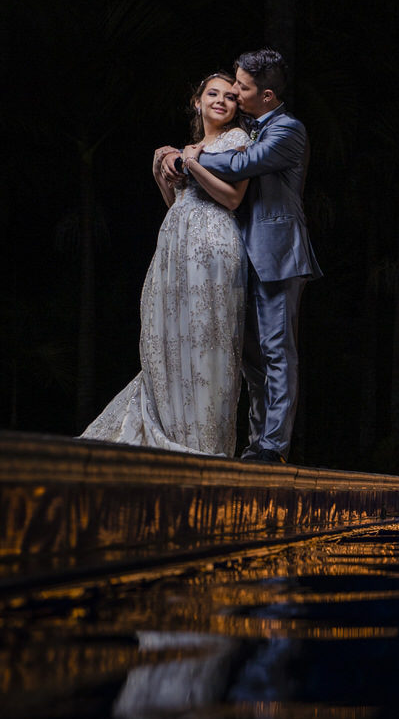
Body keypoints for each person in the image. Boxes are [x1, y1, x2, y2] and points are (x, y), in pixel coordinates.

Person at [81, 73, 250, 456]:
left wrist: (192, 163)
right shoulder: (187, 148)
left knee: (208, 337)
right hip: (175, 243)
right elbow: (177, 204)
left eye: (229, 97)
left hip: (213, 243)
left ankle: (204, 443)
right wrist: (162, 167)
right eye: (213, 93)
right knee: (168, 337)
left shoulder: (236, 141)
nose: (221, 101)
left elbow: (233, 199)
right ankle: (172, 432)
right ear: (197, 101)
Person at [167, 49, 322, 463]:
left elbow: (243, 164)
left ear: (266, 95)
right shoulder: (250, 124)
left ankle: (273, 448)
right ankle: (257, 445)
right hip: (239, 256)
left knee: (276, 353)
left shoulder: (288, 130)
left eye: (242, 87)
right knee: (252, 361)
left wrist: (190, 157)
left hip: (277, 256)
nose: (233, 91)